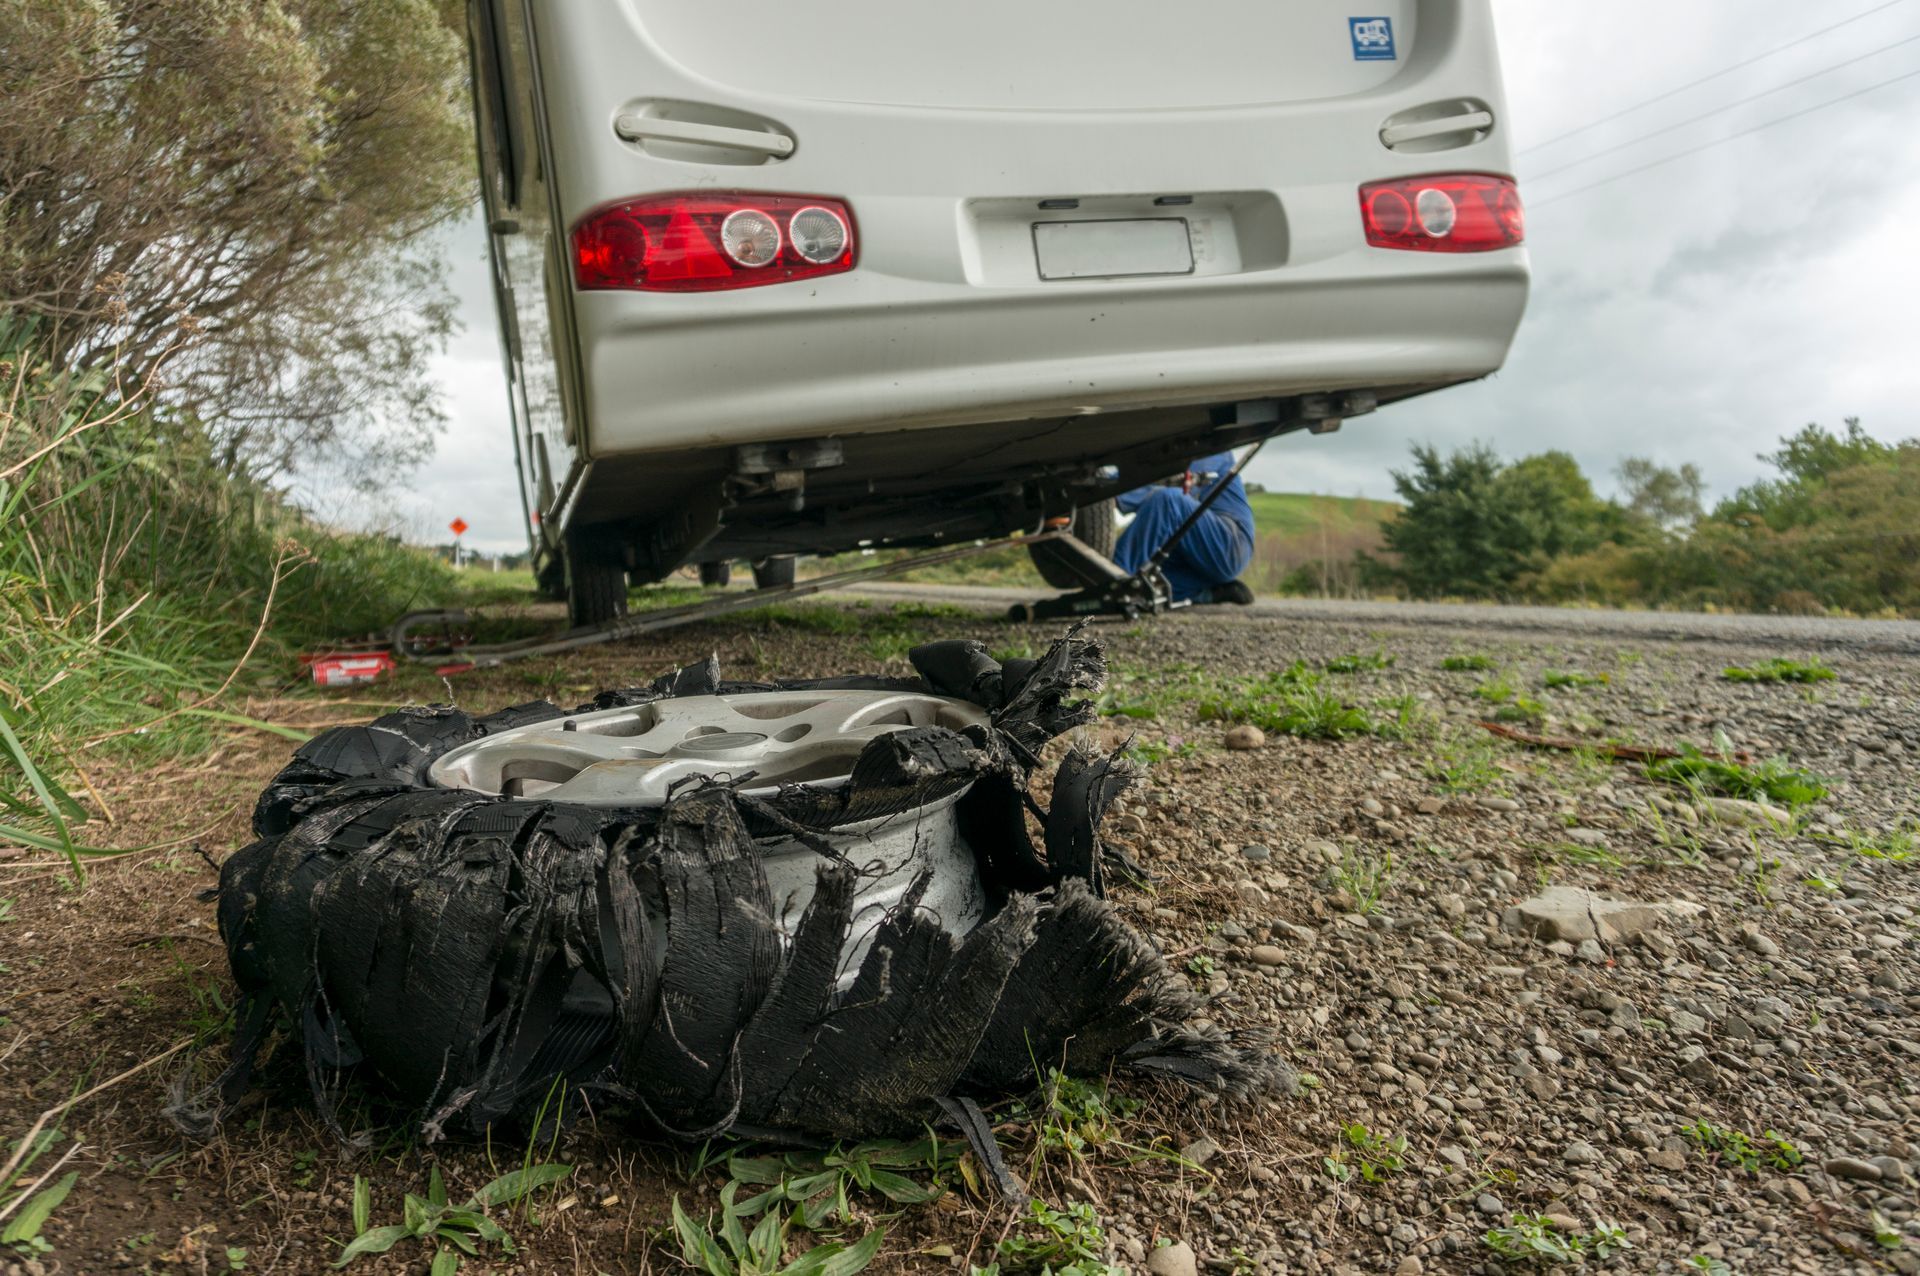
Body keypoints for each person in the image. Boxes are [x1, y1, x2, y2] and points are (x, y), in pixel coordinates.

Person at [1113, 451, 1256, 604]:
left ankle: (1111, 582)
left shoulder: (1213, 448)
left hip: (1229, 543)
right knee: (1145, 582)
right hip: (1191, 549)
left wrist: (1106, 491)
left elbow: (1181, 484)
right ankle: (1209, 593)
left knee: (1168, 500)